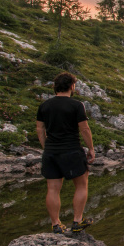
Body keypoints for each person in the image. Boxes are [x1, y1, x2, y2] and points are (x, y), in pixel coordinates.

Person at [35, 71, 96, 234]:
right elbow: (84, 128)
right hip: (72, 150)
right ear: (71, 86)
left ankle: (56, 224)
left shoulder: (44, 106)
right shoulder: (76, 105)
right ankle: (77, 221)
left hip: (51, 151)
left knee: (53, 189)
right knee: (82, 185)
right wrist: (90, 148)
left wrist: (45, 147)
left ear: (56, 87)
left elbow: (40, 129)